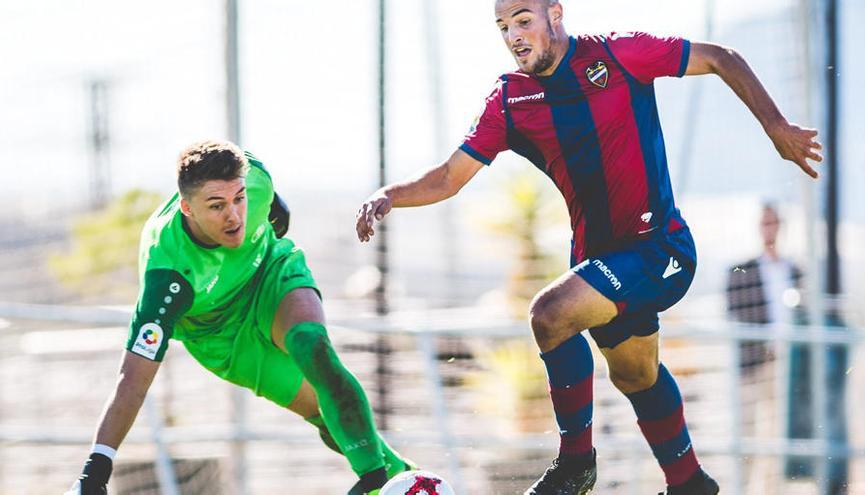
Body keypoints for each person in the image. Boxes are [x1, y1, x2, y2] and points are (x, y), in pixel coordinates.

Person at [355, 1, 822, 493]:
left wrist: (776, 126)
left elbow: (721, 56)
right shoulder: (510, 100)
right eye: (502, 27)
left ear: (555, 14)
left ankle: (576, 465)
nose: (513, 35)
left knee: (550, 314)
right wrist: (390, 195)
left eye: (523, 20)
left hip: (660, 249)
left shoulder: (619, 55)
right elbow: (450, 176)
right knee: (636, 376)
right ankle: (690, 484)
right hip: (599, 262)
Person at [66, 140, 411, 495]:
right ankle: (406, 478)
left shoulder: (254, 177)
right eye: (216, 206)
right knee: (325, 416)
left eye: (239, 199)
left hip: (269, 274)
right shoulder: (168, 277)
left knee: (312, 346)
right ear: (187, 208)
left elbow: (266, 198)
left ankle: (378, 481)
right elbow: (132, 381)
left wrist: (272, 205)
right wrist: (94, 475)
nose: (233, 216)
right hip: (221, 336)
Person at [725, 203, 809, 491]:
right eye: (765, 223)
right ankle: (743, 488)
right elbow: (736, 312)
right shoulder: (742, 271)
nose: (769, 229)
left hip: (786, 365)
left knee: (778, 434)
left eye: (773, 223)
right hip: (753, 363)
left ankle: (771, 489)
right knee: (747, 432)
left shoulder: (795, 270)